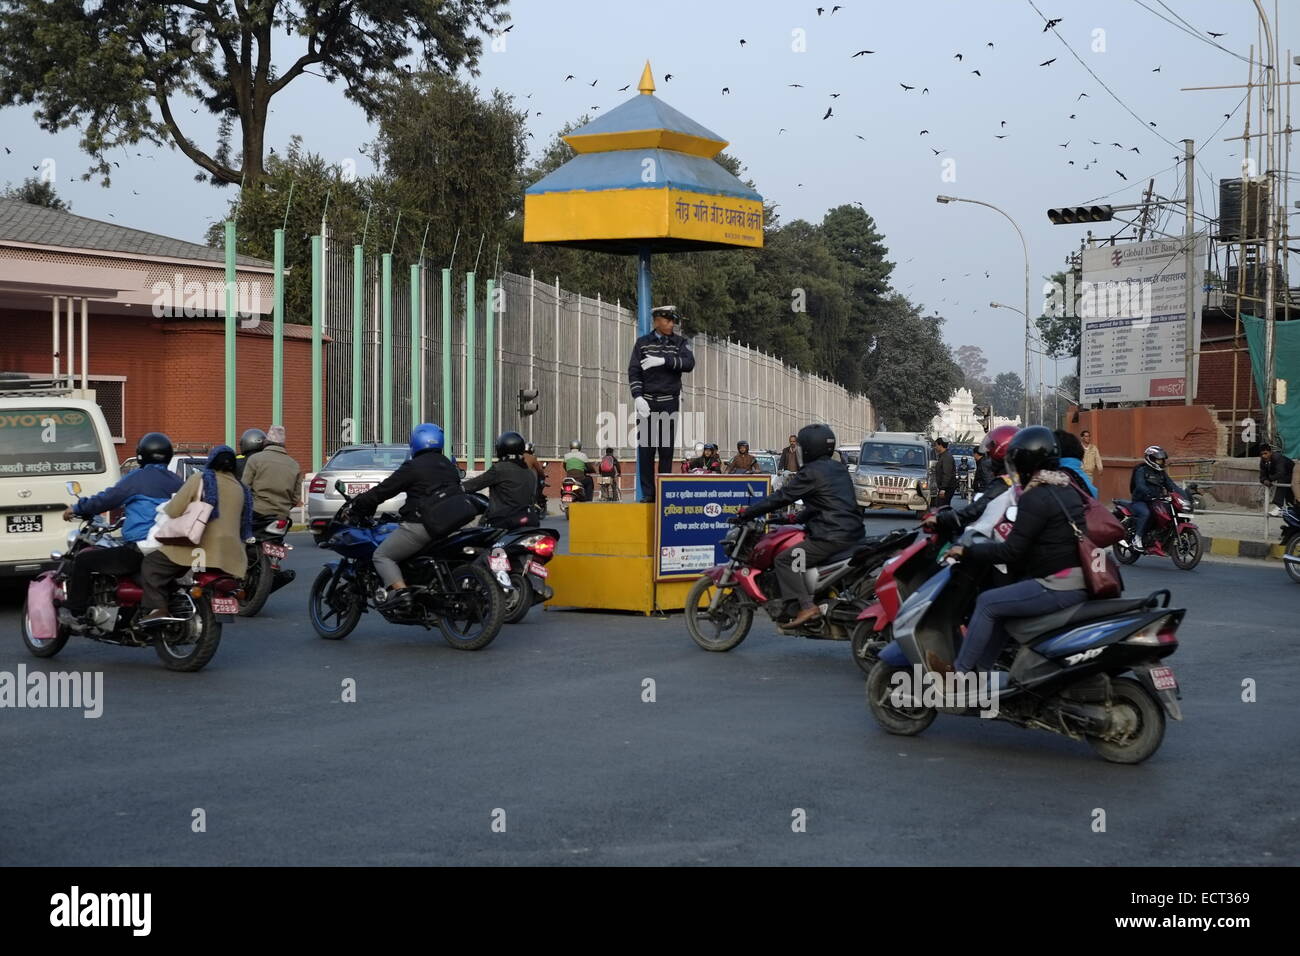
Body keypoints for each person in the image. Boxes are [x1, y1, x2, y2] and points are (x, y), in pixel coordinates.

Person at [938, 426, 1088, 677]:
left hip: (1056, 583)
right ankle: (982, 670)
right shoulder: (1067, 489)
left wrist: (967, 552)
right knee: (1003, 608)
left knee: (987, 603)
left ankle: (961, 674)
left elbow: (1011, 552)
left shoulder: (1035, 496)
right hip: (1073, 577)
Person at [730, 424, 865, 627]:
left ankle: (806, 605)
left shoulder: (810, 472)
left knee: (786, 560)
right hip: (853, 533)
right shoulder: (838, 469)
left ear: (809, 448)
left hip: (830, 536)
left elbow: (781, 497)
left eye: (801, 447)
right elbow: (827, 503)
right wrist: (790, 519)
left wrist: (747, 513)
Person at [58, 432, 185, 630]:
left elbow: (107, 499)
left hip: (138, 549)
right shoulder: (178, 482)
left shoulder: (137, 478)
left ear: (141, 455)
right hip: (170, 549)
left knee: (83, 560)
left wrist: (77, 508)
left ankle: (76, 612)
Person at [346, 423, 462, 612]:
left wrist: (359, 505)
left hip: (422, 526)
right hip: (450, 527)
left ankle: (402, 594)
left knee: (382, 555)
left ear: (415, 442)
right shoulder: (449, 466)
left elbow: (384, 491)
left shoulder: (413, 466)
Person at [139, 445, 252, 624]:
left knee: (152, 565)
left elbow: (174, 510)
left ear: (211, 461)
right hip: (232, 555)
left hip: (198, 549)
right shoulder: (241, 488)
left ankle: (158, 608)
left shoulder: (200, 479)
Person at [628, 304, 695, 502]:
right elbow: (634, 371)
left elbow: (689, 363)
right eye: (668, 320)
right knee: (646, 450)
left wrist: (663, 360)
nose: (671, 324)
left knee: (666, 450)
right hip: (647, 403)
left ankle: (663, 493)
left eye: (673, 320)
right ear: (657, 321)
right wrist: (638, 396)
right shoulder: (642, 343)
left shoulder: (680, 343)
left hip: (668, 402)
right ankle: (648, 494)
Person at [463, 431, 542, 528]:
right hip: (530, 519)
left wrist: (457, 487)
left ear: (500, 448)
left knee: (471, 531)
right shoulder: (529, 472)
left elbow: (474, 484)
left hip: (503, 521)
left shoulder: (500, 468)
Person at [241, 424, 302, 523]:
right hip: (282, 515)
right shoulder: (294, 465)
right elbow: (296, 498)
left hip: (257, 512)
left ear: (266, 442)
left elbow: (244, 486)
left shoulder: (255, 459)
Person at [1128, 444, 1180, 552]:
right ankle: (1137, 538)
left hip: (1156, 501)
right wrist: (1150, 493)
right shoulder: (1141, 471)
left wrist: (1181, 493)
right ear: (1151, 459)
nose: (1161, 462)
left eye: (1162, 460)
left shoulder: (1161, 473)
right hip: (1141, 501)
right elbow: (1140, 485)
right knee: (1146, 513)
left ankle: (1159, 537)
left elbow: (1171, 485)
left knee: (1167, 514)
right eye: (1158, 460)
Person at [1055, 430, 1098, 497]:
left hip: (1088, 473)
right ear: (1082, 438)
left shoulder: (1093, 448)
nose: (1088, 438)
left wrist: (1100, 467)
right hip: (1081, 471)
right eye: (1086, 436)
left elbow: (1097, 458)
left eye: (1089, 436)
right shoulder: (1078, 447)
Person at [1259, 444, 1296, 516]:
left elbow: (1281, 473)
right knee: (1291, 501)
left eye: (1265, 453)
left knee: (1282, 479)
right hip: (1287, 477)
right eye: (1262, 454)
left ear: (1271, 452)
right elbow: (1262, 476)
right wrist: (1264, 480)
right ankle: (1290, 509)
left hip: (1295, 474)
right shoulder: (1263, 461)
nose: (1264, 456)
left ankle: (1279, 507)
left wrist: (1269, 479)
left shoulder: (1277, 457)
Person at [931, 437, 957, 507]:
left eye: (936, 445)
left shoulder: (946, 457)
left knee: (942, 507)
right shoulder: (942, 456)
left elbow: (947, 474)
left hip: (947, 488)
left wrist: (943, 489)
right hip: (944, 487)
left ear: (940, 445)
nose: (935, 447)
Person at [522, 440, 547, 507]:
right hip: (529, 480)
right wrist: (543, 475)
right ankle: (533, 500)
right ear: (531, 449)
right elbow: (539, 470)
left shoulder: (519, 456)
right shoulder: (532, 458)